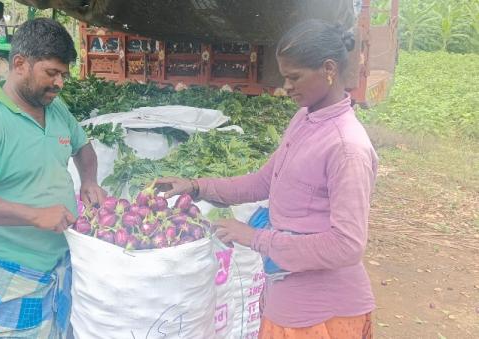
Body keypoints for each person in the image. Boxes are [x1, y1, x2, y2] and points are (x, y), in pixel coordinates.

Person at [157, 19, 377, 339]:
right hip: (288, 301)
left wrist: (255, 238)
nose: (286, 87)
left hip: (324, 315)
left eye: (294, 77)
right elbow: (263, 182)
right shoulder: (305, 118)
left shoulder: (347, 148)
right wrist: (196, 186)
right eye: (284, 77)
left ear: (329, 69)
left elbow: (347, 246)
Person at [0, 18, 106, 338]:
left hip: (61, 265)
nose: (59, 83)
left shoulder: (56, 109)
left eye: (63, 75)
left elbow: (83, 147)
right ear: (20, 64)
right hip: (13, 274)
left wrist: (89, 181)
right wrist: (33, 215)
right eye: (51, 73)